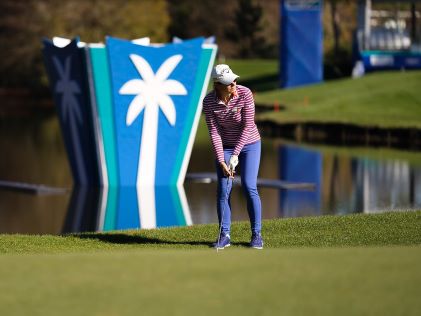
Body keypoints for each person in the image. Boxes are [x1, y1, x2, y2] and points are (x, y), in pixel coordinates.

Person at [202, 64, 263, 249]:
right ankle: (225, 235)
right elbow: (214, 132)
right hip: (226, 147)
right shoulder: (209, 102)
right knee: (223, 190)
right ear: (218, 85)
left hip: (250, 144)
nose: (234, 84)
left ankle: (257, 235)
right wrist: (221, 160)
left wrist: (236, 154)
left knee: (249, 186)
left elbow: (247, 126)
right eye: (229, 83)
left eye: (234, 80)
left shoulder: (245, 94)